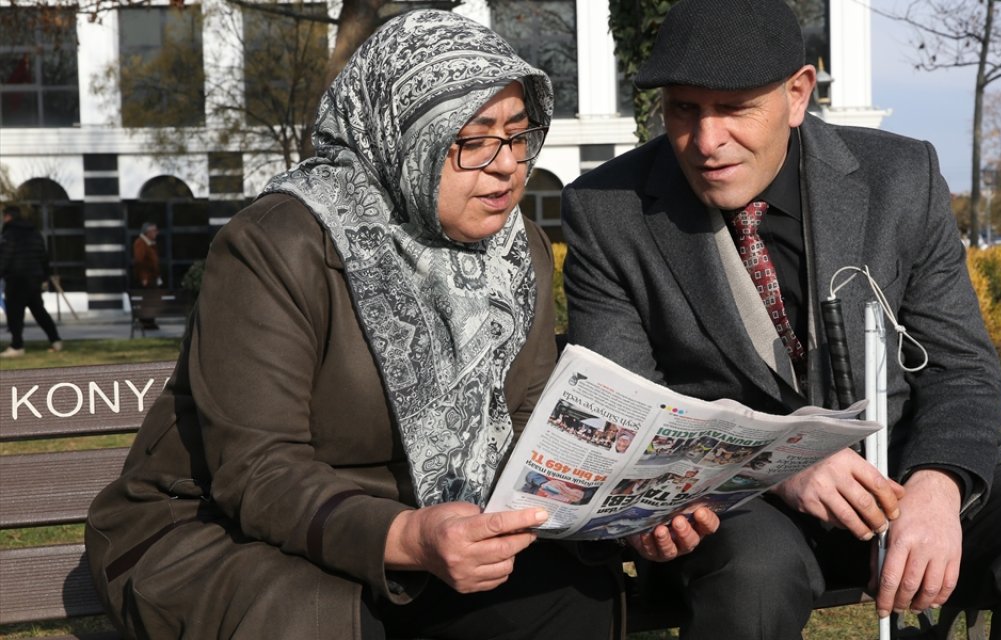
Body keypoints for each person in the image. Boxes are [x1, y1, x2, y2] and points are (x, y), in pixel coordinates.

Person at [560, 1, 1001, 639]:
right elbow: (625, 412)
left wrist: (939, 485)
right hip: (738, 505)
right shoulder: (607, 209)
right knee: (756, 575)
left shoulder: (901, 178)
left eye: (735, 108)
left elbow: (960, 366)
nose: (705, 140)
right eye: (684, 109)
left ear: (798, 93)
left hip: (902, 470)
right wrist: (779, 462)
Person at [86, 11, 626, 639]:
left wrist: (622, 496)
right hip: (229, 527)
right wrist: (405, 536)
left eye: (517, 134)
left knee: (566, 593)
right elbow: (258, 470)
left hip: (441, 526)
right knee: (318, 617)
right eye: (474, 140)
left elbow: (529, 411)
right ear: (404, 135)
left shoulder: (516, 248)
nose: (507, 164)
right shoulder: (275, 246)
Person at [0, 204, 62, 357]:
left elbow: (5, 257)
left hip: (16, 278)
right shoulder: (35, 233)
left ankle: (17, 346)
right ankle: (55, 340)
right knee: (39, 311)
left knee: (15, 313)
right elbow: (43, 256)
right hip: (34, 278)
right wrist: (44, 276)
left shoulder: (9, 234)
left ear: (7, 217)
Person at [132, 221, 162, 330]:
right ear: (147, 232)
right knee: (147, 300)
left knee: (152, 300)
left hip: (152, 278)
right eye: (154, 231)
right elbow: (140, 261)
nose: (156, 233)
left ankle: (150, 321)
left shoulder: (151, 244)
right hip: (147, 279)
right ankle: (146, 322)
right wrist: (144, 278)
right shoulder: (140, 243)